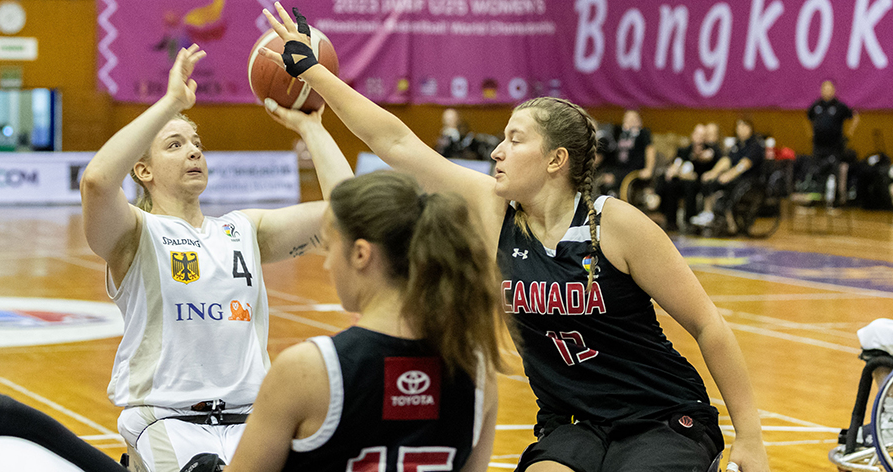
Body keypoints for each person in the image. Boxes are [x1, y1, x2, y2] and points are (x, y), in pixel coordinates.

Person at [257, 4, 770, 471]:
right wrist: (315, 74)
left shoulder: (616, 224)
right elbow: (396, 142)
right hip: (572, 424)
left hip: (660, 416)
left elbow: (707, 324)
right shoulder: (493, 209)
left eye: (514, 140)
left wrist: (750, 436)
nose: (497, 151)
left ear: (555, 160)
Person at [79, 44, 353, 471]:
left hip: (251, 419)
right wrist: (171, 102)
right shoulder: (135, 234)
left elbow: (350, 213)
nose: (193, 152)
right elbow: (97, 181)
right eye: (174, 145)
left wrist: (311, 126)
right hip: (165, 419)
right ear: (143, 170)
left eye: (197, 144)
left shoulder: (245, 229)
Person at [224, 171, 502, 472]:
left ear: (360, 254)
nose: (327, 264)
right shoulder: (478, 369)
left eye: (329, 249)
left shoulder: (307, 369)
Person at [691, 118, 765, 234]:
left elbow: (744, 164)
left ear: (750, 128)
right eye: (738, 127)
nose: (740, 129)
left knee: (724, 184)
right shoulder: (737, 145)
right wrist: (713, 173)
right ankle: (708, 213)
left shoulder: (755, 145)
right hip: (736, 179)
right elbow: (726, 160)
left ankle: (730, 222)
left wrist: (729, 175)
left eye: (743, 126)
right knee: (711, 181)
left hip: (750, 181)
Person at [657, 123, 721, 231]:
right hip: (681, 181)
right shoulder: (684, 151)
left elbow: (714, 160)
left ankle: (690, 222)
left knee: (689, 185)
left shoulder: (710, 151)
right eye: (697, 134)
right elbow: (676, 163)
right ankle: (670, 221)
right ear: (692, 135)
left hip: (699, 183)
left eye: (702, 136)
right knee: (670, 184)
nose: (699, 138)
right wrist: (674, 171)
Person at [805, 79, 859, 204]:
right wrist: (811, 134)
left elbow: (855, 117)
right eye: (824, 88)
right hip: (819, 146)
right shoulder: (816, 105)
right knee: (818, 171)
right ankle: (819, 197)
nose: (827, 91)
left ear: (834, 90)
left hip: (835, 146)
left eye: (829, 89)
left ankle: (837, 199)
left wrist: (849, 133)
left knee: (835, 171)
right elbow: (807, 118)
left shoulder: (840, 106)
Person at [597, 109, 656, 197]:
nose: (630, 122)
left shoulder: (643, 133)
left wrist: (649, 169)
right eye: (627, 119)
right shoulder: (619, 133)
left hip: (634, 169)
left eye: (633, 119)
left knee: (616, 178)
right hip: (618, 167)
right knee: (603, 176)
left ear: (639, 122)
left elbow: (650, 150)